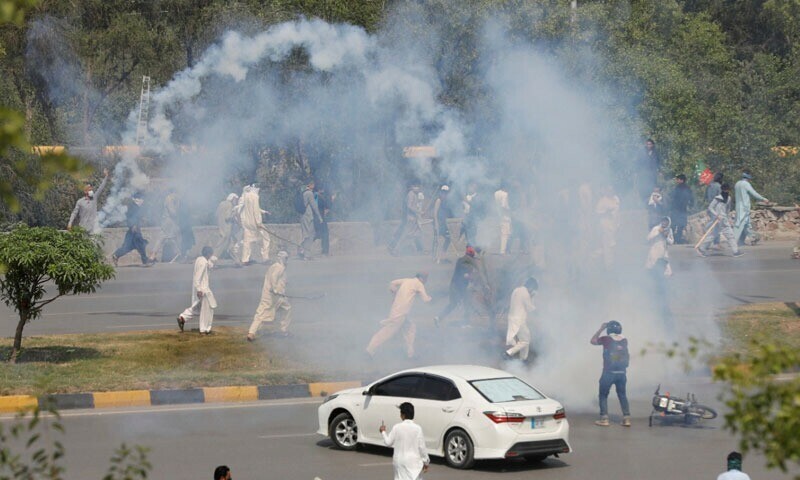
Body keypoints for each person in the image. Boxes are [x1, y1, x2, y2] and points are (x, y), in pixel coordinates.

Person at [366, 273, 432, 359]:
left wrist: (394, 292)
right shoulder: (419, 284)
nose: (426, 281)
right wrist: (433, 298)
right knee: (387, 332)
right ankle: (369, 350)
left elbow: (392, 283)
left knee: (410, 328)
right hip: (400, 313)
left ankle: (410, 354)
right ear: (422, 278)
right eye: (426, 279)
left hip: (398, 311)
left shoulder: (407, 280)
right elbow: (426, 299)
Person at [590, 320, 631, 427]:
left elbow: (593, 341)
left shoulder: (606, 339)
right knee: (622, 395)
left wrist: (601, 328)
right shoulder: (624, 341)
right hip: (622, 373)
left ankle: (604, 418)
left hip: (609, 372)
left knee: (603, 395)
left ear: (609, 329)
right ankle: (626, 419)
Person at [247, 251, 291, 340]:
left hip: (279, 296)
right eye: (286, 258)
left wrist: (284, 283)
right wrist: (274, 289)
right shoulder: (279, 267)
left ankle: (284, 330)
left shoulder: (275, 266)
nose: (287, 260)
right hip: (271, 296)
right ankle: (251, 333)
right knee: (261, 313)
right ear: (282, 258)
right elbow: (273, 277)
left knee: (287, 309)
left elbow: (279, 279)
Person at [380, 402, 430, 480]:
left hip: (399, 462)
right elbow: (422, 448)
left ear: (403, 415)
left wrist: (383, 432)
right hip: (413, 463)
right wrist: (426, 462)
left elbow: (388, 442)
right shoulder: (417, 429)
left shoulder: (397, 427)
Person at [177, 246, 216, 335]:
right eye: (211, 254)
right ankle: (204, 329)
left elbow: (210, 266)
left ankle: (182, 318)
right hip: (203, 289)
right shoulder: (203, 262)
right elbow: (197, 277)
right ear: (208, 254)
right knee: (207, 309)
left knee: (197, 308)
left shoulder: (200, 259)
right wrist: (199, 290)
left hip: (201, 288)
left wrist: (212, 260)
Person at [434, 246, 477, 326]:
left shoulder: (461, 260)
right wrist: (474, 279)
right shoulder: (465, 262)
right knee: (466, 303)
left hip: (455, 286)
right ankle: (466, 323)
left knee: (453, 304)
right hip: (459, 287)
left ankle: (438, 318)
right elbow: (466, 275)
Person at [698, 183, 743, 257]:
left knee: (721, 235)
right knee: (722, 235)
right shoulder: (717, 198)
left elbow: (727, 209)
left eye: (727, 190)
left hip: (724, 220)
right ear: (722, 189)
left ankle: (702, 248)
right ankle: (735, 251)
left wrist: (728, 218)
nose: (726, 191)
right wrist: (716, 215)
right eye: (725, 189)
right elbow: (710, 207)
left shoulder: (728, 198)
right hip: (717, 220)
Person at [111, 192, 152, 266]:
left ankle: (116, 255)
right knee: (141, 245)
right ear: (137, 199)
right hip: (134, 230)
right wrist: (133, 225)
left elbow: (136, 217)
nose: (142, 201)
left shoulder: (135, 207)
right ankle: (145, 261)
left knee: (128, 247)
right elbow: (130, 217)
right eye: (141, 199)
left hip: (133, 230)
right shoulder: (133, 207)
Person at [504, 277, 538, 362]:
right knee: (525, 341)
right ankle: (509, 353)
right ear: (531, 287)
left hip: (513, 318)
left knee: (525, 339)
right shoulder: (525, 293)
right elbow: (530, 308)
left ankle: (523, 359)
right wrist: (532, 298)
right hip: (519, 321)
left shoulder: (516, 290)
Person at [68, 168, 109, 234]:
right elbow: (74, 213)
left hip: (93, 229)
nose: (91, 191)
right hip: (83, 228)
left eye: (91, 189)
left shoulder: (94, 198)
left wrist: (106, 176)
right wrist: (70, 223)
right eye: (89, 189)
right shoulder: (80, 202)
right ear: (85, 191)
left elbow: (101, 187)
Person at [734, 170, 769, 246]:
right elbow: (754, 193)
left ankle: (743, 240)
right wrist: (763, 198)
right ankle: (736, 241)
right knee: (742, 224)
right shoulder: (746, 184)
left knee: (744, 224)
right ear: (748, 177)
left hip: (738, 207)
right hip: (744, 207)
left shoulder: (737, 183)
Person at [240, 184, 271, 265]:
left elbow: (250, 209)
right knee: (266, 238)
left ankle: (245, 259)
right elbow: (255, 211)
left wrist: (264, 212)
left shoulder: (245, 197)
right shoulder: (254, 196)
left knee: (247, 241)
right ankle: (265, 257)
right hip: (255, 223)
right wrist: (259, 223)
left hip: (247, 222)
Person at [391, 183, 425, 255]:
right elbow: (409, 206)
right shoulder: (411, 194)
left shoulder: (415, 194)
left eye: (418, 186)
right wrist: (418, 211)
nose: (417, 188)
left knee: (418, 234)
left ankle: (420, 250)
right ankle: (396, 250)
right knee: (406, 235)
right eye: (415, 186)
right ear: (412, 187)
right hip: (411, 219)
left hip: (414, 218)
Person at [149, 188, 182, 263]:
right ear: (174, 191)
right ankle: (152, 256)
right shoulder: (169, 199)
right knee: (164, 237)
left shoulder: (173, 199)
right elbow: (173, 212)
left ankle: (152, 256)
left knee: (168, 238)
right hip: (168, 222)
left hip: (169, 222)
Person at [595, 186, 620, 268]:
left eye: (612, 190)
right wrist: (606, 212)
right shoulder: (602, 201)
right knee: (607, 246)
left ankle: (613, 264)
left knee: (614, 246)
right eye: (609, 190)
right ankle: (608, 266)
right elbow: (597, 213)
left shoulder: (616, 199)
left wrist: (618, 224)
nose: (611, 192)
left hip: (615, 226)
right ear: (606, 191)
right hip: (606, 226)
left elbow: (618, 212)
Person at [299, 181, 323, 259]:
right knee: (309, 235)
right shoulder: (309, 193)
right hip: (308, 216)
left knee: (306, 234)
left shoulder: (302, 192)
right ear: (310, 185)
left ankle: (302, 251)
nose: (314, 186)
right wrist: (319, 217)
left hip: (303, 216)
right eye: (313, 184)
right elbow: (314, 206)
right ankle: (306, 254)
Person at [213, 193, 239, 261]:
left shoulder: (221, 203)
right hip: (227, 228)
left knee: (230, 245)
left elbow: (216, 215)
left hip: (221, 227)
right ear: (232, 199)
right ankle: (212, 260)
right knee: (221, 245)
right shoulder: (229, 205)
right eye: (235, 200)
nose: (236, 201)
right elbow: (228, 217)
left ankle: (237, 261)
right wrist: (234, 214)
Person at [670, 174, 693, 244]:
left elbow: (672, 197)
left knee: (673, 224)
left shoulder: (677, 188)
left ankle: (672, 239)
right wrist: (691, 205)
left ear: (681, 180)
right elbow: (691, 198)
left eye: (678, 179)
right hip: (683, 209)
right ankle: (678, 239)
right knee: (681, 225)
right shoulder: (688, 188)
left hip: (676, 209)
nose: (677, 180)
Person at [432, 185, 451, 263]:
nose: (445, 194)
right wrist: (436, 225)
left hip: (443, 223)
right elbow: (435, 213)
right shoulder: (438, 200)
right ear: (441, 192)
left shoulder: (446, 201)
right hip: (438, 223)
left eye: (446, 193)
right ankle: (437, 258)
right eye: (443, 192)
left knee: (448, 239)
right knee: (438, 241)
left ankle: (443, 256)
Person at [314, 184, 332, 256]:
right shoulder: (318, 197)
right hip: (320, 218)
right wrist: (331, 200)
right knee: (324, 234)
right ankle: (325, 251)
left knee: (315, 234)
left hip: (315, 218)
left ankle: (303, 249)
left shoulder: (314, 196)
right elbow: (327, 206)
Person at [494, 183, 512, 254]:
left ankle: (504, 250)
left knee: (503, 232)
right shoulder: (505, 194)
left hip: (499, 215)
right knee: (505, 234)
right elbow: (503, 206)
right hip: (505, 216)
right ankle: (502, 251)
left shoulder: (496, 193)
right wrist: (510, 211)